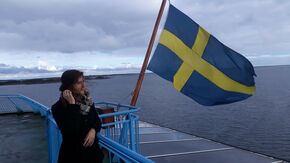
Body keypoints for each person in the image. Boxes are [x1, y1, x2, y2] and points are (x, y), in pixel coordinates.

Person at [51, 69, 104, 163]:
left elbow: (97, 121)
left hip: (93, 154)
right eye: (79, 83)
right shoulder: (58, 108)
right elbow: (71, 132)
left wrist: (93, 130)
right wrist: (72, 105)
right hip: (74, 156)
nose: (83, 85)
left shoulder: (87, 101)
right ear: (69, 86)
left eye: (83, 81)